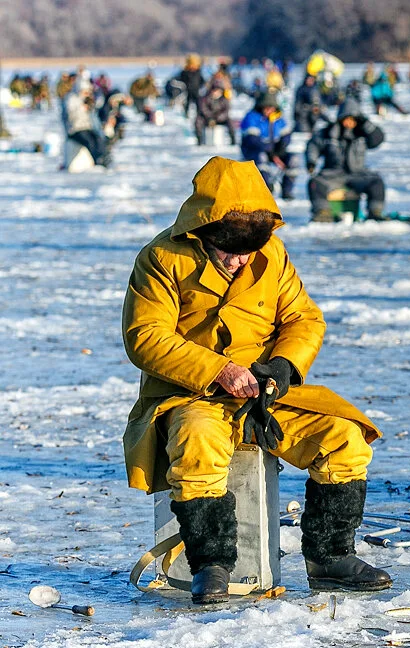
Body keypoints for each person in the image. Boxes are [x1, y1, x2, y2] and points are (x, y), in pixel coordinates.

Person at [121, 157, 390, 604]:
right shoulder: (160, 259)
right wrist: (217, 371)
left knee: (344, 438)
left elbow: (304, 318)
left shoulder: (274, 256)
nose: (239, 260)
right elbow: (144, 337)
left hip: (264, 394)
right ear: (202, 234)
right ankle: (211, 564)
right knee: (197, 443)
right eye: (229, 249)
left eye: (248, 250)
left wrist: (283, 367)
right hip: (192, 393)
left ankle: (330, 558)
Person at [306, 100, 387, 222]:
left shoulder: (363, 133)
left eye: (353, 119)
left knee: (376, 183)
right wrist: (311, 161)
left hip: (358, 174)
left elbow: (378, 139)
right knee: (315, 183)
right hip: (332, 174)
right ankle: (323, 212)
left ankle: (375, 212)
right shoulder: (328, 132)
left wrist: (365, 123)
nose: (349, 123)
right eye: (346, 119)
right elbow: (313, 145)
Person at [240, 92, 299, 199]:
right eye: (266, 107)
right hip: (255, 151)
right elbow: (252, 140)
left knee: (293, 159)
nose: (268, 110)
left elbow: (286, 136)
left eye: (271, 108)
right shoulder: (251, 117)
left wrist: (280, 150)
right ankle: (265, 190)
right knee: (261, 158)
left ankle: (287, 191)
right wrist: (271, 153)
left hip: (275, 151)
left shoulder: (278, 119)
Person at [62, 82, 109, 166]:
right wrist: (82, 108)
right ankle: (97, 160)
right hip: (75, 130)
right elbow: (70, 116)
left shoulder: (87, 99)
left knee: (99, 139)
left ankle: (103, 157)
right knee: (89, 142)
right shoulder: (71, 99)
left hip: (87, 127)